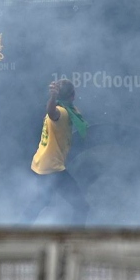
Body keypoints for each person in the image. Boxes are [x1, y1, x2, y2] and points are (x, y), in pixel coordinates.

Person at [22, 79, 89, 226]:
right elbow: (52, 112)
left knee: (40, 204)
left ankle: (15, 230)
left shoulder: (69, 111)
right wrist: (52, 96)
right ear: (73, 96)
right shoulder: (62, 113)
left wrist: (54, 97)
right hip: (52, 168)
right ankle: (75, 240)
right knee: (82, 206)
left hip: (41, 163)